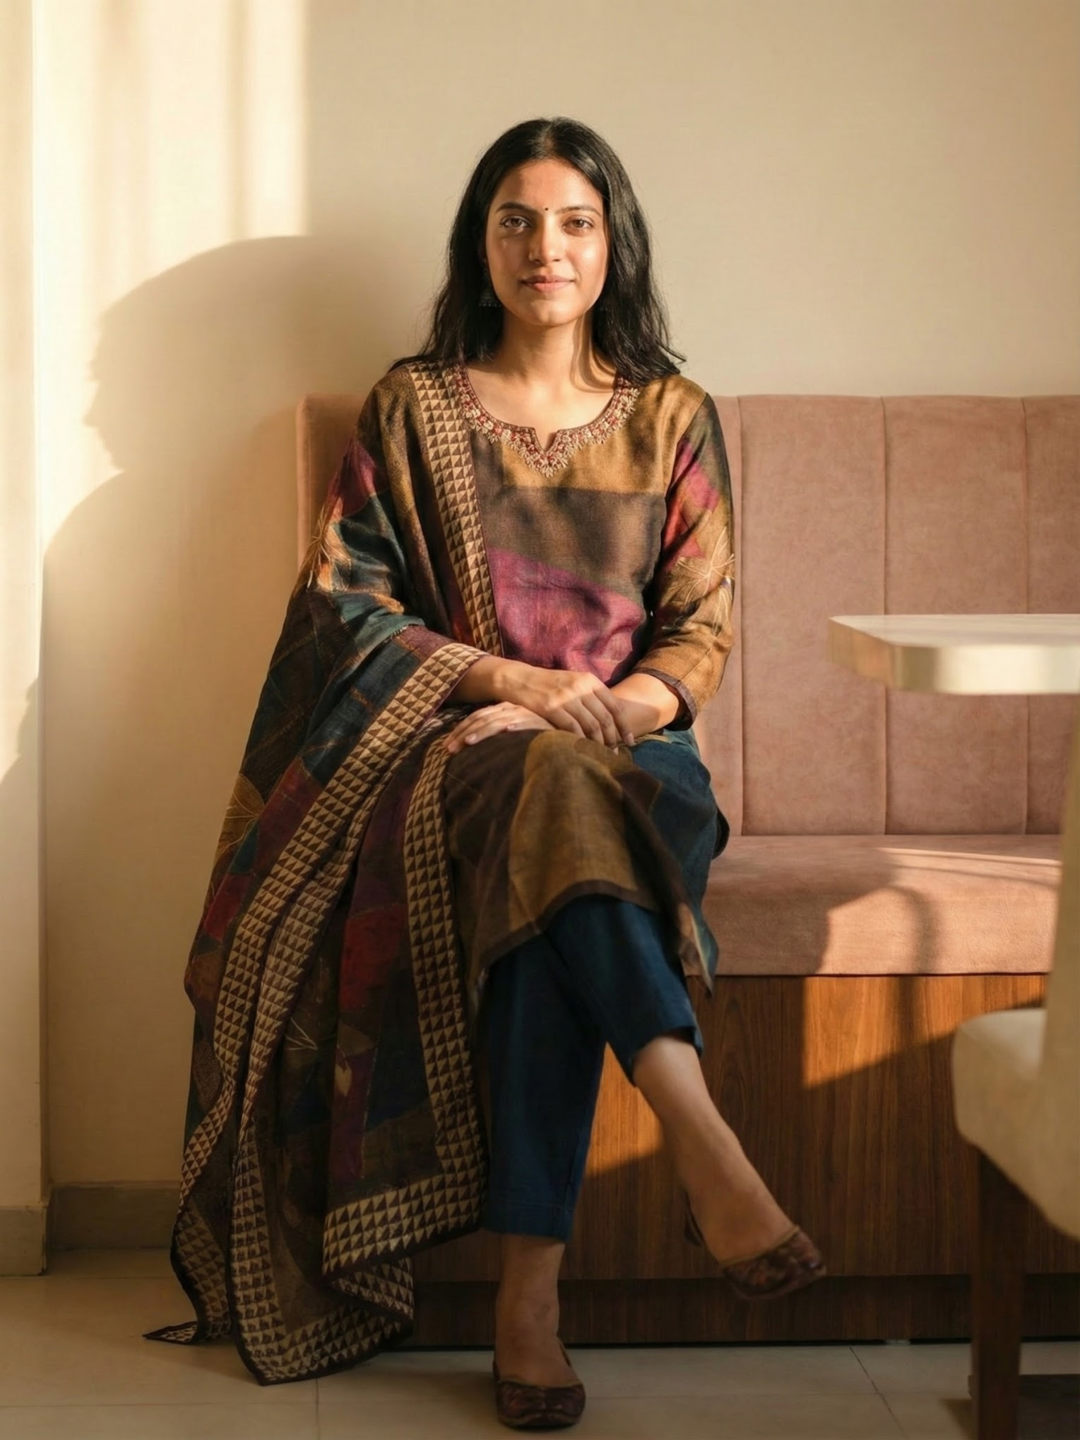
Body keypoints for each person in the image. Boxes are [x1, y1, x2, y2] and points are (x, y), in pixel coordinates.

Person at [146, 116, 824, 1428]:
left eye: (574, 222)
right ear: (480, 243)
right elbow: (346, 606)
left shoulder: (673, 417)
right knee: (531, 799)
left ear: (613, 244)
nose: (545, 248)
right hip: (451, 758)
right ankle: (698, 1132)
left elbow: (701, 629)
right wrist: (510, 687)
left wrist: (600, 716)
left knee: (549, 854)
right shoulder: (414, 407)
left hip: (641, 768)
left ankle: (529, 1301)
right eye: (517, 221)